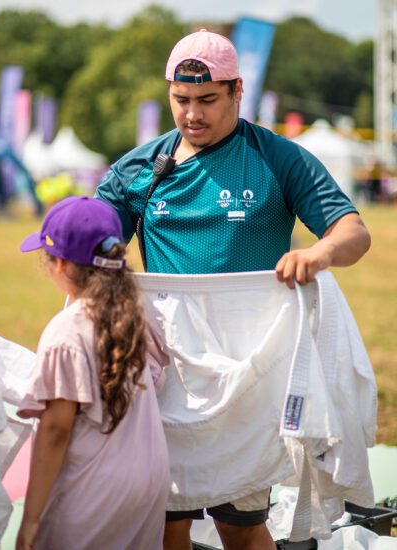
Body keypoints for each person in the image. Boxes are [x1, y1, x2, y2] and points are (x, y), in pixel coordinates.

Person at [95, 29, 371, 550]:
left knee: (239, 526)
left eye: (207, 100)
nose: (193, 115)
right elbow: (93, 234)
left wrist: (319, 252)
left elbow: (353, 232)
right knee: (165, 523)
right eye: (181, 101)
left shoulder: (276, 157)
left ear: (237, 91)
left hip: (249, 380)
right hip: (166, 375)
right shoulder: (140, 167)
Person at [15, 196, 170, 550]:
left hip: (92, 488)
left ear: (61, 265)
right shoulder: (138, 312)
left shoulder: (67, 331)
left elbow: (55, 430)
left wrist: (31, 518)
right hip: (148, 484)